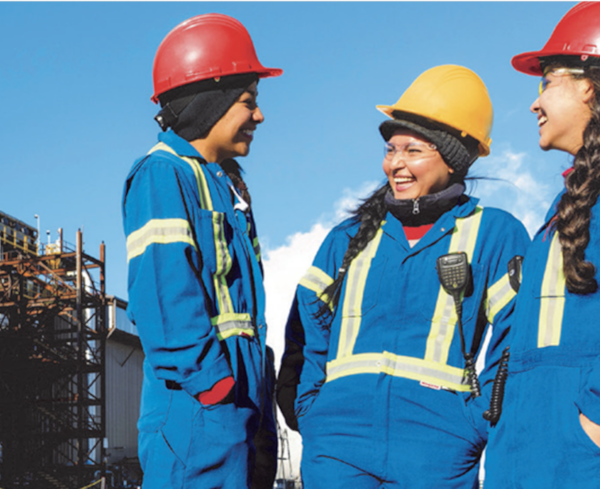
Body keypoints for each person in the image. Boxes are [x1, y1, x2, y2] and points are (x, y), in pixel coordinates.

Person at [278, 65, 528, 488]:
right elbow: (306, 328)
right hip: (337, 444)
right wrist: (311, 410)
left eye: (414, 151)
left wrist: (477, 421)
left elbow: (515, 341)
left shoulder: (494, 233)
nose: (396, 164)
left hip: (440, 447)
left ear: (452, 159)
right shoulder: (349, 236)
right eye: (391, 150)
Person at [122, 13, 280, 489]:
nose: (259, 115)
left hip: (239, 407)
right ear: (208, 103)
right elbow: (163, 294)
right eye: (248, 101)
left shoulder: (225, 185)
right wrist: (215, 389)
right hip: (200, 413)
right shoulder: (161, 173)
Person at [486, 2, 600, 486]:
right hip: (528, 455)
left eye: (547, 82)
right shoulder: (566, 203)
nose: (534, 103)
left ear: (591, 85)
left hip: (575, 459)